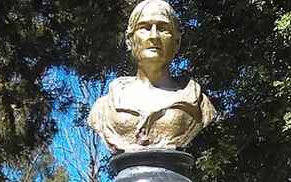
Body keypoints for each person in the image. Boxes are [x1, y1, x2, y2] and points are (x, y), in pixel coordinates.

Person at [88, 0, 216, 154]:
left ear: (177, 43)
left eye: (163, 28)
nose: (154, 36)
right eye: (145, 28)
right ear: (130, 40)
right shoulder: (105, 107)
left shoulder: (199, 104)